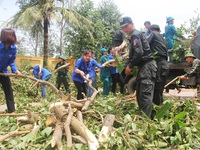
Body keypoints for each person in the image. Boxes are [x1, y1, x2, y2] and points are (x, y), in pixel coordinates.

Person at [120, 16, 157, 119]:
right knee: (140, 95)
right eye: (122, 28)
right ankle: (144, 118)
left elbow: (139, 53)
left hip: (147, 67)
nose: (125, 29)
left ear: (132, 24)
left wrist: (130, 66)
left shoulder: (135, 35)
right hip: (143, 68)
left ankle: (146, 122)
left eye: (126, 26)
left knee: (145, 96)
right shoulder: (134, 35)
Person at [0, 28, 21, 113]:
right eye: (9, 35)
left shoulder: (13, 49)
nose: (11, 37)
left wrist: (15, 70)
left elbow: (11, 62)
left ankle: (11, 111)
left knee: (8, 91)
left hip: (4, 72)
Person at [147, 24, 169, 105]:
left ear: (151, 30)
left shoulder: (153, 34)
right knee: (160, 89)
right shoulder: (164, 39)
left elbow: (146, 44)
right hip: (165, 64)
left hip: (159, 63)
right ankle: (161, 107)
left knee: (156, 88)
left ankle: (157, 109)